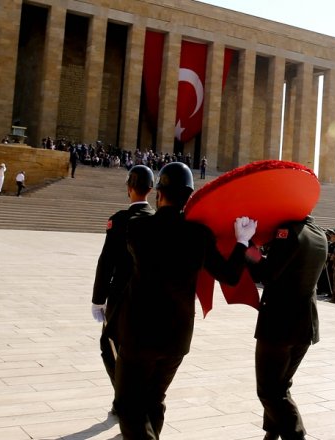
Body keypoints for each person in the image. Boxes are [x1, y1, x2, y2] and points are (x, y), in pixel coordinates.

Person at [112, 162, 257, 439]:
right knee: (154, 400)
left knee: (130, 408)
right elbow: (229, 276)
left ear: (159, 194)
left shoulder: (137, 228)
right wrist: (241, 242)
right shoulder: (199, 235)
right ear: (189, 196)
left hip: (140, 334)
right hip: (176, 338)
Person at [246, 215, 326, 440]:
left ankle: (295, 436)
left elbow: (265, 273)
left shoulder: (288, 232)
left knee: (269, 391)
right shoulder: (319, 232)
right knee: (280, 385)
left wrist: (246, 245)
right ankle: (271, 435)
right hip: (305, 325)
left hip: (280, 325)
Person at [91, 165, 155, 416]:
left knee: (110, 347)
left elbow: (106, 262)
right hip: (148, 299)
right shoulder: (156, 220)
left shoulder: (119, 221)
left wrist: (98, 300)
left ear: (129, 189)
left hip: (119, 299)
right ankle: (134, 397)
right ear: (151, 189)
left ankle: (123, 397)